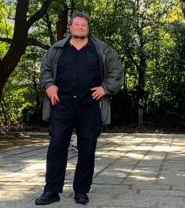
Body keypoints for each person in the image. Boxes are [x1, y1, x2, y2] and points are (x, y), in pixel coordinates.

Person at [34, 12, 123, 205]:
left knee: (87, 149)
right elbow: (45, 69)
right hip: (61, 105)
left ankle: (81, 190)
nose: (80, 28)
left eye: (84, 25)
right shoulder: (57, 48)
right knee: (56, 148)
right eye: (77, 25)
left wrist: (105, 87)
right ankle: (51, 191)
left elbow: (117, 71)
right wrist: (49, 85)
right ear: (70, 27)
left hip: (90, 106)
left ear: (88, 28)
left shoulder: (102, 49)